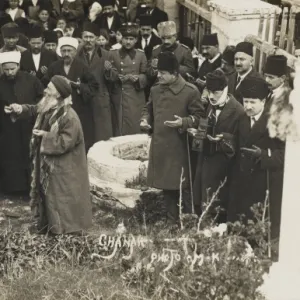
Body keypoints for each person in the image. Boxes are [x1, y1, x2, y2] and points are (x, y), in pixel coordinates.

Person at [5, 75, 92, 235]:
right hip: (50, 165)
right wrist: (20, 108)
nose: (46, 90)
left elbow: (65, 142)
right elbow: (35, 109)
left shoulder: (69, 117)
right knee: (48, 196)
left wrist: (45, 136)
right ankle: (49, 226)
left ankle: (66, 232)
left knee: (63, 199)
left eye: (50, 88)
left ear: (58, 94)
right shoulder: (50, 107)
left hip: (66, 169)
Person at [140, 51, 204, 222]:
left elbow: (199, 118)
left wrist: (183, 122)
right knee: (166, 185)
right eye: (158, 72)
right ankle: (171, 220)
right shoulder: (154, 90)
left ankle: (190, 221)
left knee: (183, 185)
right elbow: (148, 109)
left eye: (162, 73)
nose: (158, 75)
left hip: (180, 147)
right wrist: (145, 120)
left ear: (175, 74)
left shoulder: (191, 91)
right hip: (161, 145)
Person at [228, 76, 284, 253]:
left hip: (265, 185)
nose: (248, 106)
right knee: (242, 231)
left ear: (263, 102)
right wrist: (227, 143)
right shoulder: (242, 119)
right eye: (245, 102)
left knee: (261, 234)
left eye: (253, 102)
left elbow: (286, 156)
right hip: (243, 183)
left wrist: (264, 155)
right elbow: (237, 145)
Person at [192, 69, 244, 220]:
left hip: (223, 169)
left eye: (216, 92)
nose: (212, 96)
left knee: (218, 208)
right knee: (204, 206)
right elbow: (204, 126)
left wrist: (225, 139)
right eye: (209, 92)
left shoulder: (238, 111)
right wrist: (197, 135)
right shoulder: (210, 106)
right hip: (205, 165)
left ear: (225, 90)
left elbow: (242, 141)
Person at [42, 36, 99, 152]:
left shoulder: (82, 66)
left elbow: (94, 86)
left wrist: (78, 86)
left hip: (79, 109)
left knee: (79, 140)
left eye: (69, 51)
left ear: (75, 51)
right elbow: (45, 84)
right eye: (64, 51)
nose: (66, 54)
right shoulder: (54, 66)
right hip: (58, 110)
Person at [0, 51, 44, 195]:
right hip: (7, 128)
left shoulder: (31, 80)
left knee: (28, 155)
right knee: (10, 156)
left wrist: (25, 108)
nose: (9, 72)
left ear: (18, 66)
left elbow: (41, 100)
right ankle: (10, 189)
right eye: (6, 69)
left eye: (12, 69)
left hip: (27, 125)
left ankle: (28, 189)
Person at [104, 23, 147, 136]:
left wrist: (138, 78)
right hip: (119, 95)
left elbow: (145, 75)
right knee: (119, 125)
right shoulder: (113, 53)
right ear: (121, 39)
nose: (128, 42)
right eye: (126, 38)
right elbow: (108, 74)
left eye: (131, 39)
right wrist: (114, 74)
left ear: (136, 40)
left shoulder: (140, 55)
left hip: (135, 96)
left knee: (134, 125)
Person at [77, 21, 113, 141]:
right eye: (85, 37)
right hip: (82, 100)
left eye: (91, 37)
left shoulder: (106, 55)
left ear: (96, 38)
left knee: (101, 136)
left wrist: (108, 71)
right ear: (82, 38)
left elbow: (114, 78)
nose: (88, 40)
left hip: (100, 100)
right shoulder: (76, 54)